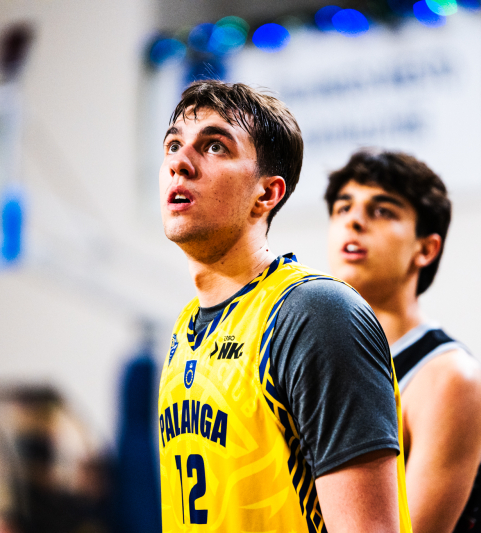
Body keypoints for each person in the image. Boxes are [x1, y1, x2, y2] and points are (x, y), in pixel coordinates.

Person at [156, 80, 411, 532]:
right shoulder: (186, 326)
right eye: (174, 145)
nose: (180, 162)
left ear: (267, 194)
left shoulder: (316, 314)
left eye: (214, 146)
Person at [325, 150, 481, 533]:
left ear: (426, 248)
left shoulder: (450, 378)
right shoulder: (325, 357)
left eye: (382, 210)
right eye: (343, 208)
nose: (354, 221)